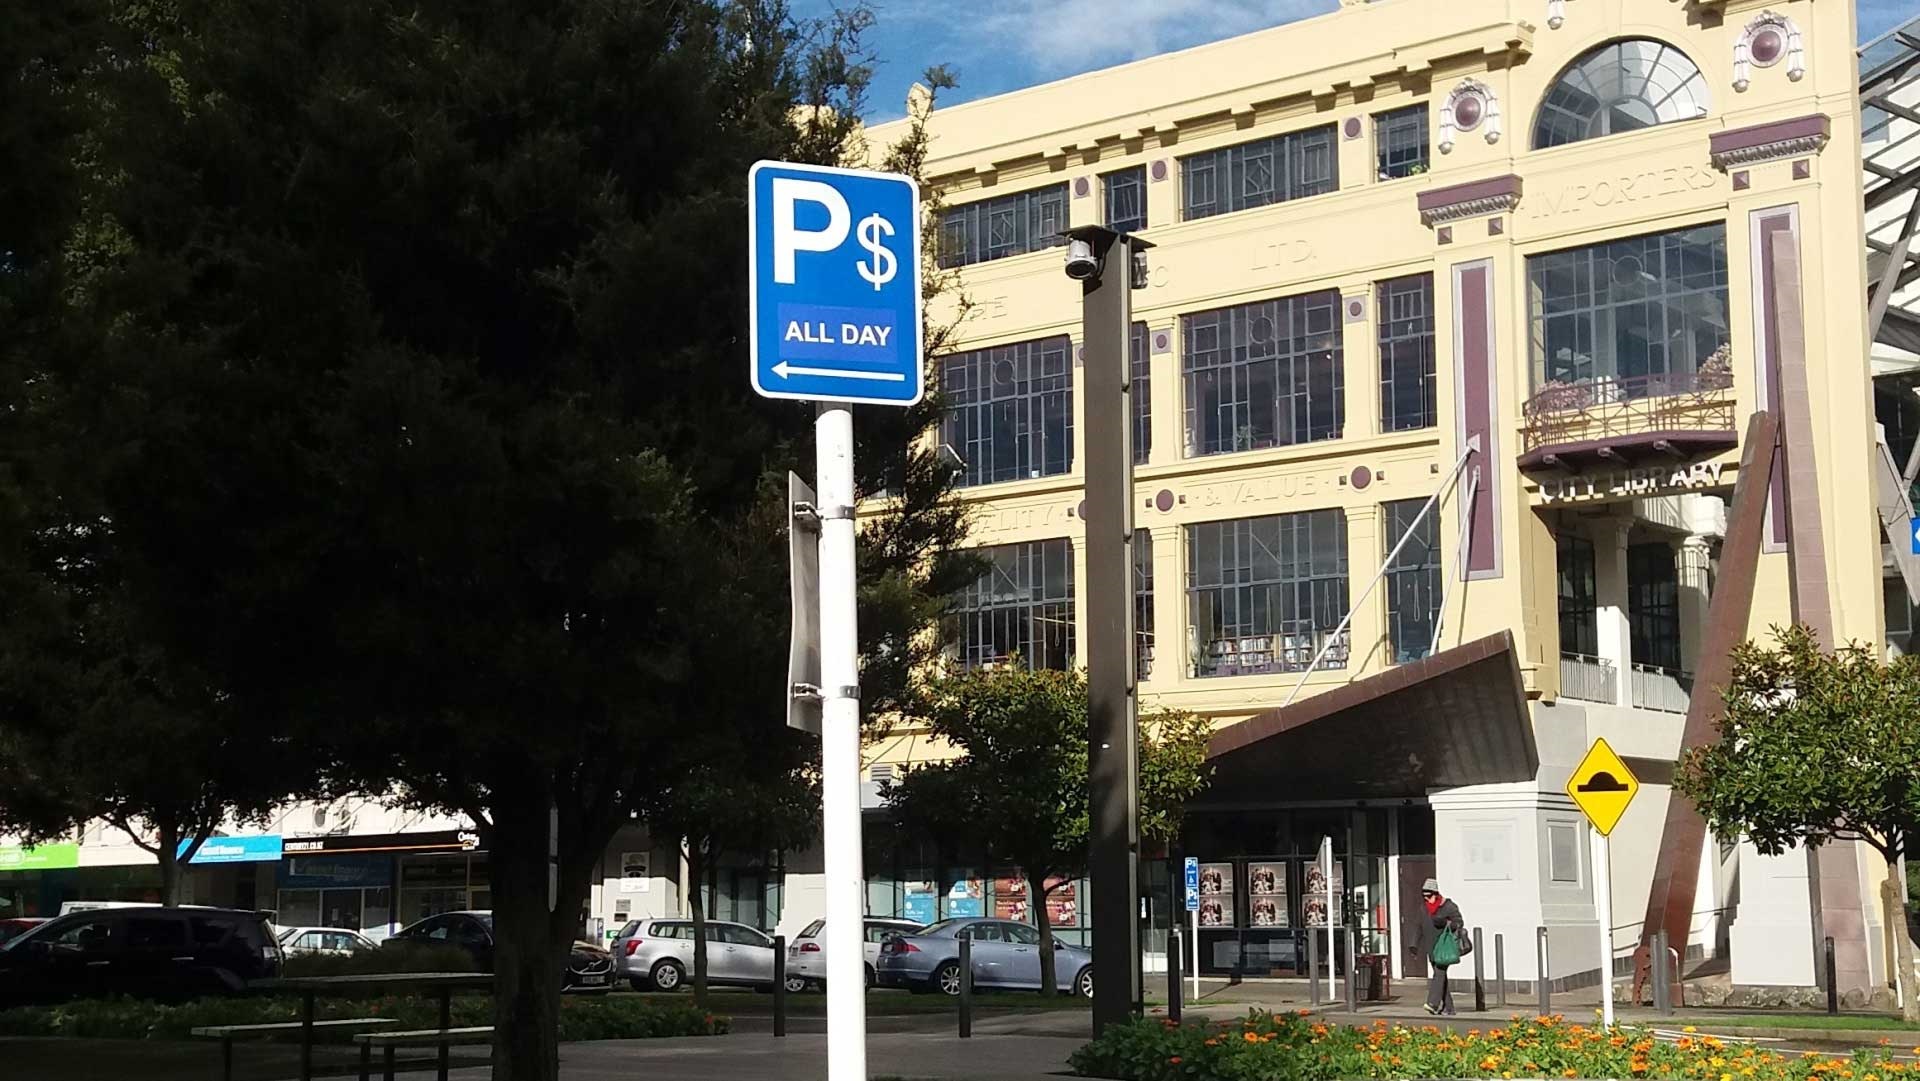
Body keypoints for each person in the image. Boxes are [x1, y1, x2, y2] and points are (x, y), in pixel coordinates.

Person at [1410, 878, 1465, 1016]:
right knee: (1441, 977)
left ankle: (1433, 1003)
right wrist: (1413, 944)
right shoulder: (1424, 909)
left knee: (1439, 974)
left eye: (1429, 896)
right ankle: (1449, 1008)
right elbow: (1418, 926)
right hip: (1431, 948)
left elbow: (1459, 923)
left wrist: (1446, 923)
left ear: (1436, 893)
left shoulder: (1448, 906)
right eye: (1424, 896)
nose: (1427, 899)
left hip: (1444, 947)